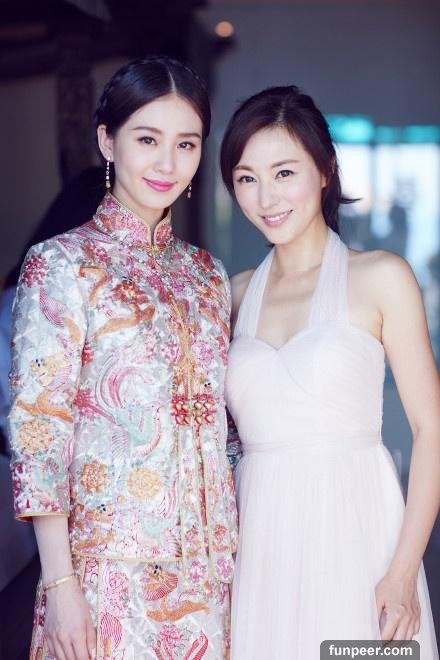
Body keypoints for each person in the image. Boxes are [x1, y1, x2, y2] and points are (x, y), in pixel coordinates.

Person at [9, 56, 237, 660]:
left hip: (212, 572)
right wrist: (60, 585)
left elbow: (224, 428)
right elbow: (39, 431)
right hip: (106, 574)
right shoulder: (60, 265)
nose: (167, 164)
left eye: (186, 144)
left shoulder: (207, 276)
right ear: (107, 141)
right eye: (147, 139)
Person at [221, 85, 439, 658]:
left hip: (357, 533)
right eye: (246, 178)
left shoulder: (382, 277)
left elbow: (432, 429)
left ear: (324, 170)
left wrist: (403, 570)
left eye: (284, 172)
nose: (266, 197)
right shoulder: (232, 295)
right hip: (259, 541)